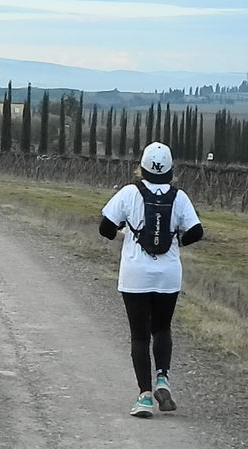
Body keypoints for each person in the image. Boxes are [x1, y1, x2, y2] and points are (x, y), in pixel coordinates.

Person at [99, 142, 203, 418]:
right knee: (162, 329)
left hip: (135, 274)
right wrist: (175, 240)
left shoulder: (129, 193)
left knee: (139, 336)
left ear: (141, 167)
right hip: (168, 275)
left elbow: (105, 228)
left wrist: (126, 235)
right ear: (170, 170)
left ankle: (144, 397)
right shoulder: (179, 197)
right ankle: (163, 379)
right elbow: (196, 231)